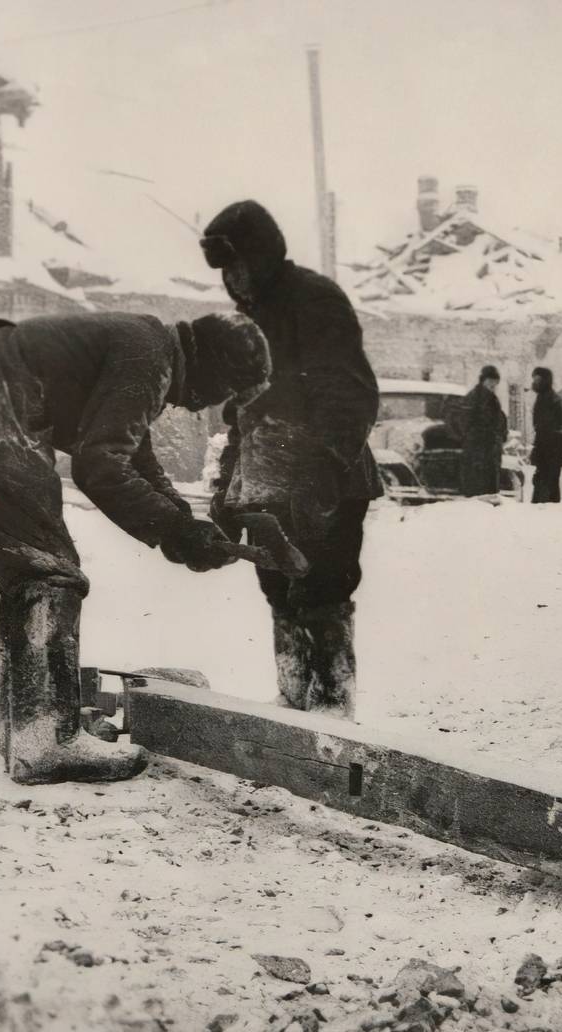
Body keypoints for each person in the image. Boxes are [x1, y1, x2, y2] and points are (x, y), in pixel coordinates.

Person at [0, 311, 271, 783]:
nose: (207, 406)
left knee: (30, 570)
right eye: (223, 391)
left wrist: (183, 526)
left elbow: (132, 455)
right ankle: (47, 740)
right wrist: (177, 532)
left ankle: (25, 732)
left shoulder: (145, 346)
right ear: (212, 366)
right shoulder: (150, 356)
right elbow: (100, 465)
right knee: (48, 572)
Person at [199, 199, 382, 717]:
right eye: (226, 271)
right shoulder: (249, 317)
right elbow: (244, 408)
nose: (234, 279)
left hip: (327, 477)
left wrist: (322, 469)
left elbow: (349, 394)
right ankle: (294, 699)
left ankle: (329, 709)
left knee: (321, 584)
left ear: (263, 254)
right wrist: (229, 480)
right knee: (276, 584)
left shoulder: (315, 300)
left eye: (239, 265)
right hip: (266, 477)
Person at [459, 364, 506, 496]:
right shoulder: (474, 398)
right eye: (490, 381)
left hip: (490, 449)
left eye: (495, 381)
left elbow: (499, 420)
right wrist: (482, 437)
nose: (493, 384)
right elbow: (466, 423)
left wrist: (501, 435)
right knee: (478, 489)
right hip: (478, 450)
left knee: (489, 489)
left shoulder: (491, 397)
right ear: (483, 380)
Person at [529, 366, 562, 503]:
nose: (534, 382)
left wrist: (541, 449)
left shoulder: (551, 399)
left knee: (547, 484)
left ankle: (547, 515)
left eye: (538, 379)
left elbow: (554, 425)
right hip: (546, 447)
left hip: (551, 448)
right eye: (534, 379)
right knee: (544, 483)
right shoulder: (543, 397)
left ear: (545, 380)